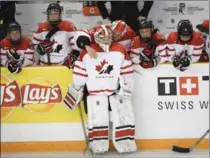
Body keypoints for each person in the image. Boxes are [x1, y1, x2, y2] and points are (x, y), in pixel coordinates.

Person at [63, 25, 137, 154]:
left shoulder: (119, 49)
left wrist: (126, 86)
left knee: (123, 118)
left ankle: (125, 142)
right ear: (96, 38)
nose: (106, 41)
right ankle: (98, 144)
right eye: (103, 39)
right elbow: (79, 79)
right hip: (96, 95)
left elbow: (127, 72)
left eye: (108, 38)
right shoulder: (87, 51)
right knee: (98, 121)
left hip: (113, 94)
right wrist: (78, 88)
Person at [32, 2, 79, 67]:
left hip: (62, 66)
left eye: (55, 14)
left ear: (60, 15)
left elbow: (76, 45)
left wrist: (75, 54)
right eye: (50, 14)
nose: (53, 16)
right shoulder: (41, 27)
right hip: (43, 66)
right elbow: (34, 45)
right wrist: (39, 48)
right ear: (47, 15)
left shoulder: (68, 26)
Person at [71, 20, 136, 59]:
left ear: (124, 33)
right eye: (113, 33)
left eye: (118, 35)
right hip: (97, 55)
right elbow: (81, 34)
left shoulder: (130, 34)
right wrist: (86, 46)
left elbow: (135, 46)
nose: (114, 36)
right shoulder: (100, 30)